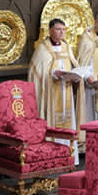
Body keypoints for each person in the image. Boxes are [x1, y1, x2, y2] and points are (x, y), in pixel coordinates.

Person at [28, 18, 85, 164]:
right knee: (54, 122)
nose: (62, 32)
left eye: (64, 29)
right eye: (59, 29)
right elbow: (37, 73)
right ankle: (54, 157)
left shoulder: (66, 47)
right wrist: (53, 74)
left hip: (66, 90)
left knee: (68, 120)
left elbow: (73, 65)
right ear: (50, 30)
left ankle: (71, 156)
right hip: (51, 94)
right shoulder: (43, 48)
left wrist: (75, 76)